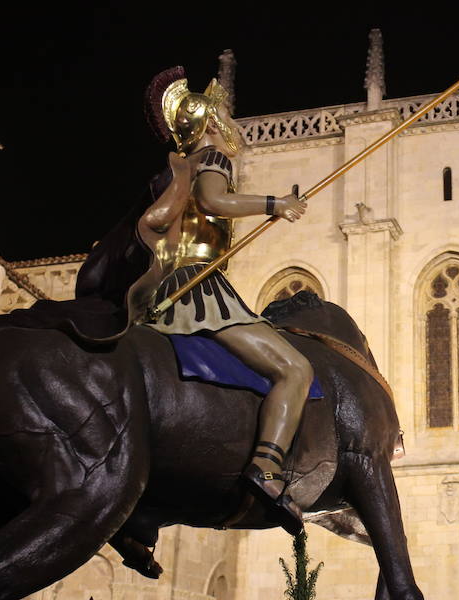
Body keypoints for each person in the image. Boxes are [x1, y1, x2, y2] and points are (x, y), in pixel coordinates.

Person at [141, 67, 311, 533]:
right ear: (210, 122)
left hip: (165, 286)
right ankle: (268, 468)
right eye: (222, 113)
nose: (228, 120)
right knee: (296, 369)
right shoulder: (212, 158)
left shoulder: (174, 169)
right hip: (199, 289)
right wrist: (275, 203)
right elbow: (215, 202)